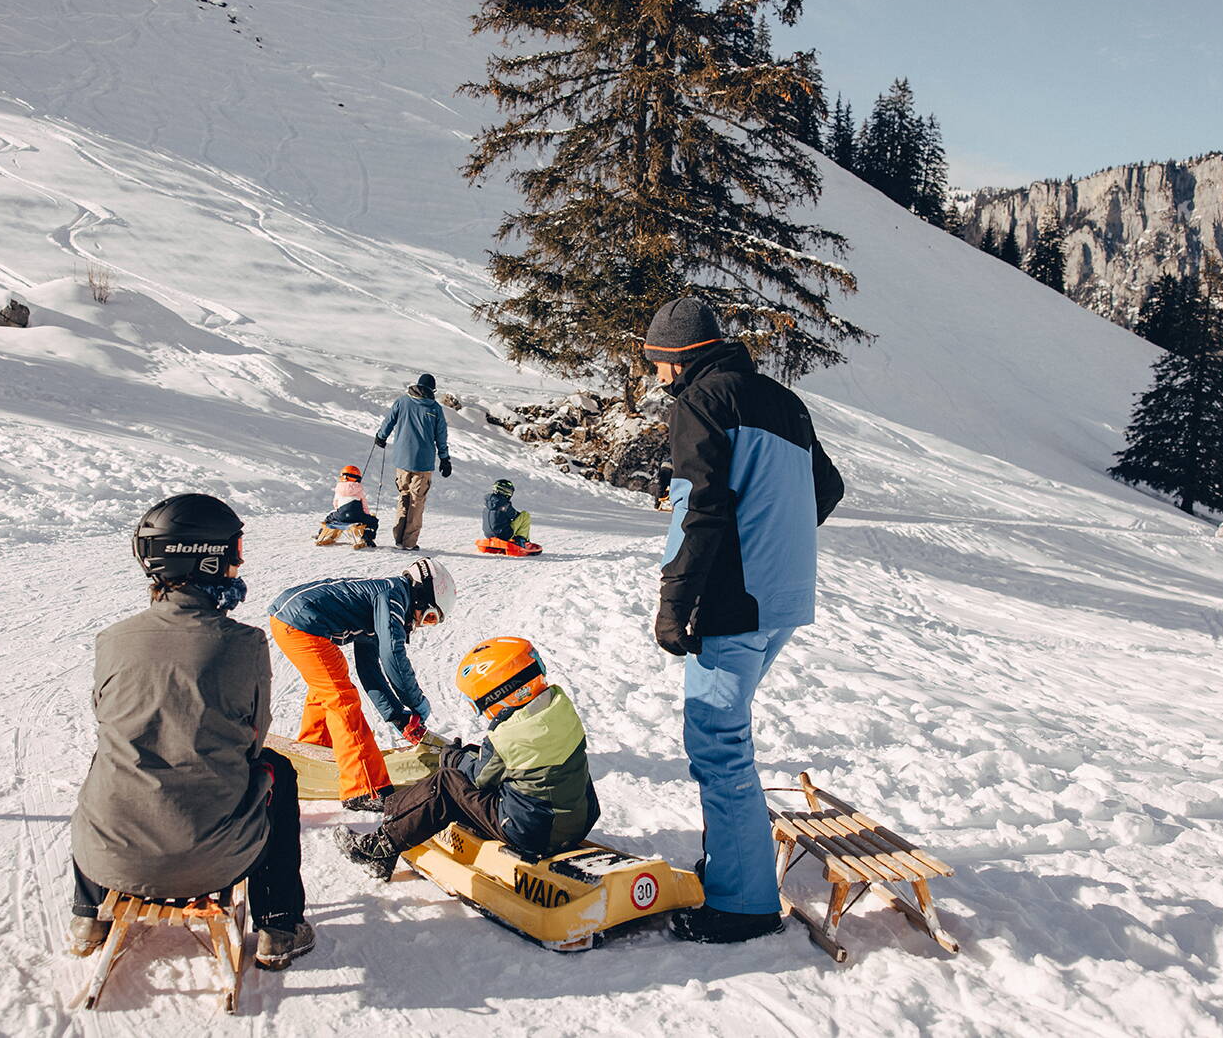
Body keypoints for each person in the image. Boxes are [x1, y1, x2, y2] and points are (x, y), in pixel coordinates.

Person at [644, 296, 844, 944]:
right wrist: (773, 535)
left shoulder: (701, 403)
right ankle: (732, 863)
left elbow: (700, 509)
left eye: (656, 365)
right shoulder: (785, 403)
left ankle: (744, 905)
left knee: (717, 745)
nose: (654, 379)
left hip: (736, 603)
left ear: (679, 358)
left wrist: (674, 604)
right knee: (730, 739)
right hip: (782, 600)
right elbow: (827, 488)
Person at [68, 494, 314, 969]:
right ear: (207, 557)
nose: (238, 564)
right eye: (234, 552)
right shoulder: (243, 643)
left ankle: (87, 914)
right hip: (215, 860)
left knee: (110, 757)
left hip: (109, 859)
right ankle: (278, 926)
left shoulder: (113, 639)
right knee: (277, 770)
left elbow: (105, 715)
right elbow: (254, 739)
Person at [335, 636, 599, 879]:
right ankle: (400, 812)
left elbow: (478, 778)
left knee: (447, 783)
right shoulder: (560, 706)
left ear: (498, 694)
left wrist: (452, 758)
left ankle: (378, 849)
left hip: (532, 834)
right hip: (580, 820)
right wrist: (472, 755)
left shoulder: (505, 735)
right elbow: (513, 762)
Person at [267, 558, 455, 810]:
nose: (422, 624)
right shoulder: (393, 598)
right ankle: (366, 788)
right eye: (430, 617)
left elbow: (370, 669)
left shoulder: (383, 600)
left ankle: (315, 746)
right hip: (300, 622)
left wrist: (398, 716)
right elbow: (393, 657)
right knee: (341, 698)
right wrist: (417, 703)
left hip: (293, 618)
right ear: (421, 596)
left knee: (329, 682)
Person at [374, 373, 452, 550]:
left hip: (402, 460)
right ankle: (409, 542)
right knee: (417, 501)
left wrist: (381, 437)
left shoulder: (402, 402)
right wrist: (445, 459)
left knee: (404, 496)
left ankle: (398, 538)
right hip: (423, 463)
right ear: (432, 390)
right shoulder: (435, 409)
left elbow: (389, 421)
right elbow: (441, 437)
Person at [323, 464, 378, 548]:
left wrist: (339, 511)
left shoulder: (339, 488)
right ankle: (367, 538)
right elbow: (364, 504)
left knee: (329, 517)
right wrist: (366, 515)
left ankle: (322, 532)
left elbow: (335, 503)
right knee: (373, 521)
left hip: (340, 516)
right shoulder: (359, 488)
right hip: (357, 517)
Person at [482, 478, 537, 550]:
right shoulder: (504, 503)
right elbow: (515, 515)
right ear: (504, 491)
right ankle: (521, 540)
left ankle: (513, 538)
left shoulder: (487, 503)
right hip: (504, 535)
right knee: (525, 515)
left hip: (488, 535)